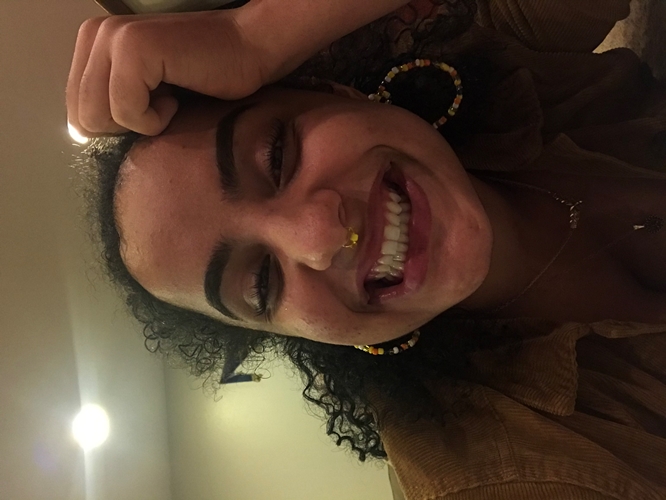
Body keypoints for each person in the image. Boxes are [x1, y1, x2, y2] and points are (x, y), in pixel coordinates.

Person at [68, 0, 666, 498]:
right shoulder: (494, 473)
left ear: (334, 92)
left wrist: (252, 36)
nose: (319, 237)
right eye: (261, 284)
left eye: (276, 157)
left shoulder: (501, 64)